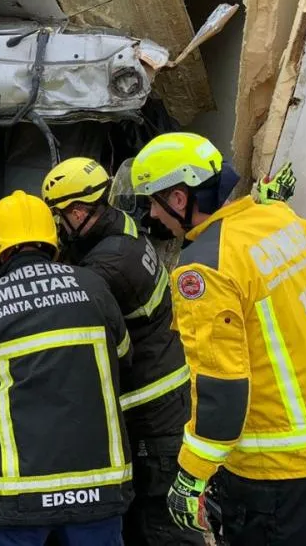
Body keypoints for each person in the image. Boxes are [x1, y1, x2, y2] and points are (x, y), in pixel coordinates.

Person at [129, 131, 306, 545]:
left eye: (153, 200)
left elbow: (221, 390)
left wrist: (191, 475)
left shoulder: (202, 270)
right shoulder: (279, 220)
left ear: (180, 198)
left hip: (279, 474)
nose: (152, 214)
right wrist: (264, 205)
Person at [0, 190, 133, 546]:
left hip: (19, 497)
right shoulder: (93, 287)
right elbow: (123, 357)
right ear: (53, 239)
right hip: (100, 490)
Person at [41, 157, 200, 546]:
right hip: (164, 395)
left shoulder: (108, 266)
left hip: (152, 411)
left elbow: (64, 309)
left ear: (79, 211)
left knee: (160, 528)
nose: (58, 226)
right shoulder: (119, 228)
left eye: (59, 216)